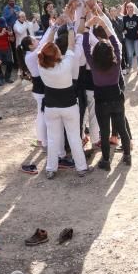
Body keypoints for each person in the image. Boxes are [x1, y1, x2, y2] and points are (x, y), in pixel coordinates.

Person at [82, 5, 132, 170]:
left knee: (104, 132)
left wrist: (88, 25)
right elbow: (116, 43)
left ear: (95, 54)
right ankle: (127, 155)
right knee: (122, 129)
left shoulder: (93, 65)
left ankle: (105, 160)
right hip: (117, 98)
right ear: (111, 52)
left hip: (101, 101)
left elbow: (84, 45)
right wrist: (103, 24)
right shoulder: (116, 62)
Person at [37, 17, 88, 178]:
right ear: (57, 54)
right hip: (69, 105)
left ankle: (51, 169)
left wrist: (54, 28)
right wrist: (72, 27)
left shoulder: (41, 65)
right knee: (74, 137)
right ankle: (81, 168)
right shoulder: (66, 63)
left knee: (53, 139)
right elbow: (71, 45)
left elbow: (45, 47)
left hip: (51, 106)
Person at [0, 14, 15, 84]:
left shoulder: (8, 27)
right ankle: (0, 78)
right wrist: (1, 34)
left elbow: (12, 40)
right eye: (1, 25)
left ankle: (7, 77)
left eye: (3, 25)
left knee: (10, 62)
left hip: (7, 48)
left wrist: (11, 35)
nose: (3, 27)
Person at [121, 2, 138, 73]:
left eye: (131, 7)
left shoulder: (137, 17)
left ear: (133, 9)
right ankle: (130, 67)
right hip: (128, 38)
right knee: (129, 54)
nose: (130, 9)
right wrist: (124, 30)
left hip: (137, 38)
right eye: (128, 7)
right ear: (126, 9)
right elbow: (123, 27)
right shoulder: (124, 18)